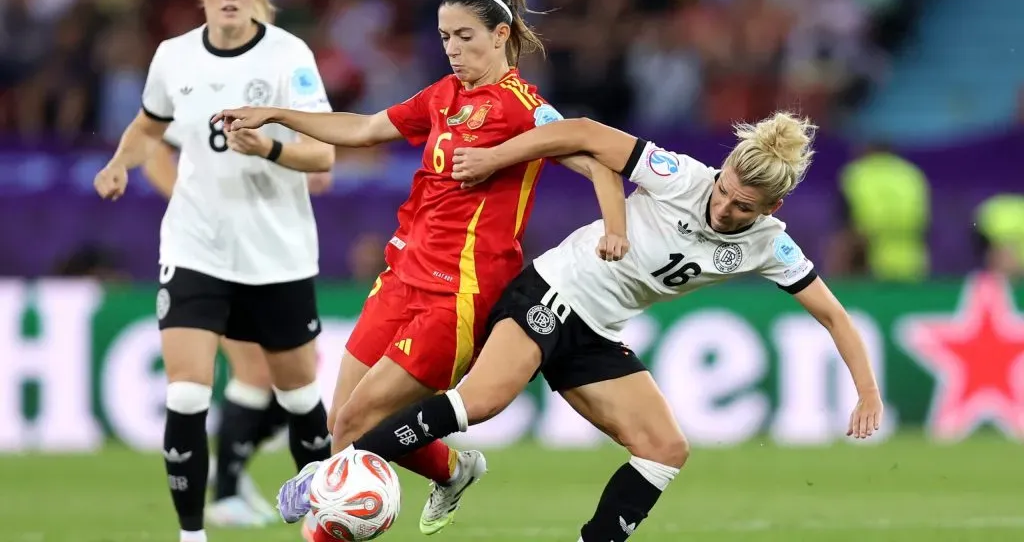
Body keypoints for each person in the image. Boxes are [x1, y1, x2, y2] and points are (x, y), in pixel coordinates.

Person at [287, 112, 886, 542]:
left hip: (597, 331)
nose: (724, 206)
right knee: (486, 400)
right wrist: (497, 156)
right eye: (726, 189)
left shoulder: (768, 246)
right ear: (723, 169)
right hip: (549, 290)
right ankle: (326, 477)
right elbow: (582, 133)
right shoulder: (680, 175)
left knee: (664, 448)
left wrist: (867, 391)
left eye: (742, 207)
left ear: (771, 210)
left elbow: (834, 315)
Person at [214, 0, 629, 538]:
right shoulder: (443, 95)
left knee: (357, 428)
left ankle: (325, 498)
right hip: (401, 275)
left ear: (501, 34)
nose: (453, 49)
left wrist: (615, 227)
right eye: (444, 37)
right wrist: (279, 114)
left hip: (457, 294)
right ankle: (454, 470)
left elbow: (597, 158)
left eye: (464, 36)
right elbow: (363, 129)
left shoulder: (522, 108)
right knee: (343, 425)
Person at [92, 0, 337, 541]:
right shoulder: (173, 56)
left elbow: (323, 155)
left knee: (301, 398)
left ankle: (328, 523)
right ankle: (193, 534)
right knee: (185, 392)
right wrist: (118, 163)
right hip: (196, 247)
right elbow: (149, 128)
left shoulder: (287, 55)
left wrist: (270, 146)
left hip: (277, 252)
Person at [142, 124, 334, 527]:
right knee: (253, 372)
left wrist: (304, 166)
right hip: (213, 258)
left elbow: (314, 151)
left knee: (291, 378)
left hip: (271, 253)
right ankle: (226, 488)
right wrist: (191, 205)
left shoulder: (288, 80)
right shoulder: (200, 76)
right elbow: (151, 148)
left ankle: (231, 473)